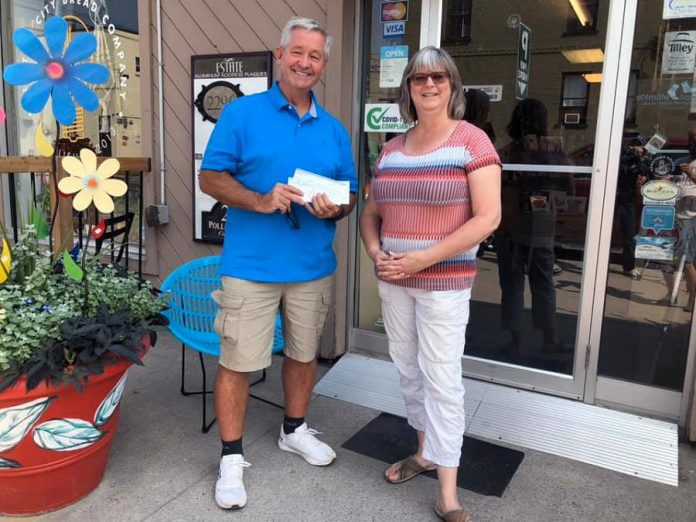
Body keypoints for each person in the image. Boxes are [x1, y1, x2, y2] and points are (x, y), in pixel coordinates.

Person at [199, 17, 357, 510]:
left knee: (304, 354)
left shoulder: (333, 130)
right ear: (280, 54)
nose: (305, 62)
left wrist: (340, 206)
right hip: (250, 266)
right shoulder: (244, 114)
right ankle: (230, 456)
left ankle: (294, 430)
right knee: (238, 362)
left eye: (315, 56)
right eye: (298, 52)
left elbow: (349, 192)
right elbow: (210, 178)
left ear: (323, 65)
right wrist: (260, 199)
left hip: (311, 265)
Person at [360, 46, 501, 522]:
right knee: (408, 370)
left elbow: (488, 218)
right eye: (419, 77)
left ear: (452, 86)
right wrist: (378, 254)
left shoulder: (472, 141)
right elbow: (372, 214)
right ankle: (423, 452)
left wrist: (423, 258)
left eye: (439, 77)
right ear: (408, 88)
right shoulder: (392, 148)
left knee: (442, 380)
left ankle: (448, 491)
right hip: (394, 282)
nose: (429, 84)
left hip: (443, 282)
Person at [496, 98, 570, 354]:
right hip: (541, 225)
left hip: (509, 224)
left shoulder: (505, 152)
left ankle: (515, 341)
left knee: (512, 284)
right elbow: (568, 186)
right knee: (543, 283)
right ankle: (549, 338)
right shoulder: (554, 151)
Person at [674, 126, 696, 311]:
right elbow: (680, 184)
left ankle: (692, 301)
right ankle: (690, 292)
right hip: (681, 215)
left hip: (692, 217)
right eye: (691, 138)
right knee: (686, 259)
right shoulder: (686, 161)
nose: (692, 143)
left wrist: (691, 174)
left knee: (688, 260)